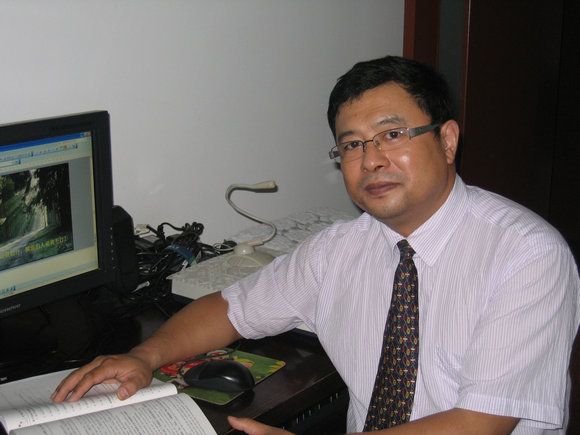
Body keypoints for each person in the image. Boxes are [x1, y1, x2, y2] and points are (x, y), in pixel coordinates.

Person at [52, 55, 580, 434]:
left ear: (446, 140)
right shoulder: (339, 250)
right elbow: (230, 309)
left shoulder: (526, 254)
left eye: (392, 135)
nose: (371, 160)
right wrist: (144, 356)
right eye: (351, 145)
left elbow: (480, 422)